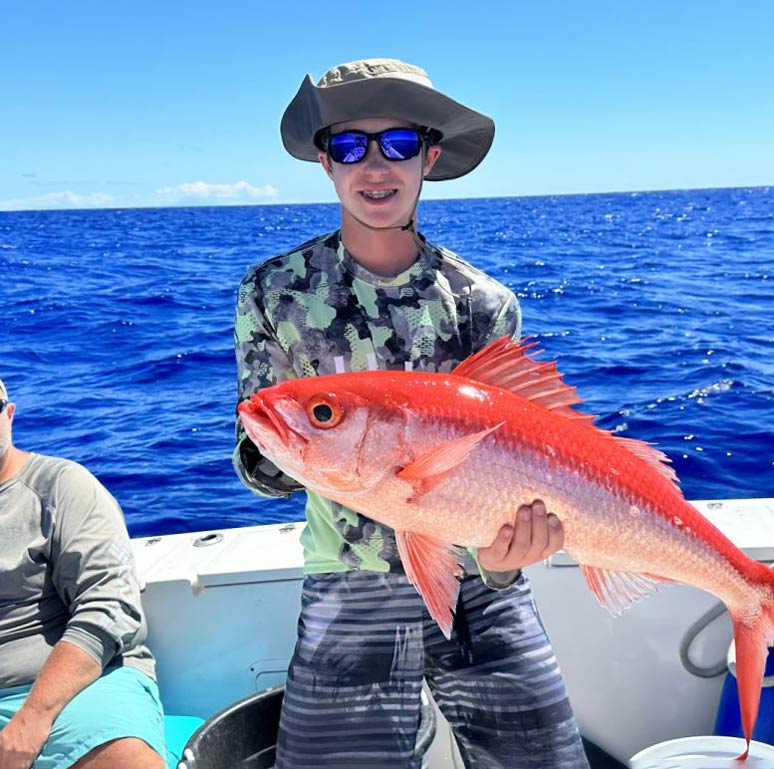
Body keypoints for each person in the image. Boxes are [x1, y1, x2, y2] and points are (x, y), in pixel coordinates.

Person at [232, 59, 591, 769]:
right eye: (349, 145)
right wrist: (323, 454)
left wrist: (502, 556)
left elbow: (523, 453)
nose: (374, 165)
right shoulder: (270, 292)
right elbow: (257, 459)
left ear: (429, 155)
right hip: (348, 580)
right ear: (324, 159)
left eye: (396, 144)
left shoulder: (483, 301)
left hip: (480, 585)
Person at [0, 377, 166, 769]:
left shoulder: (62, 486)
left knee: (125, 761)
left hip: (76, 691)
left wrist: (31, 721)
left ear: (9, 415)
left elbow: (109, 608)